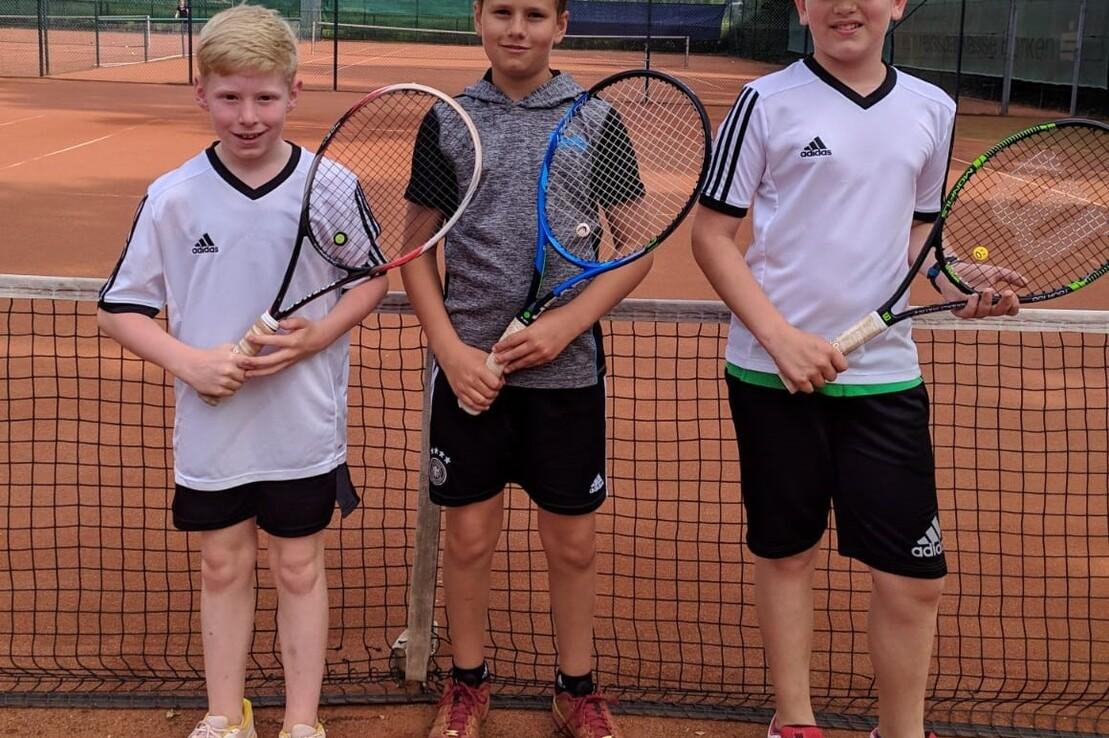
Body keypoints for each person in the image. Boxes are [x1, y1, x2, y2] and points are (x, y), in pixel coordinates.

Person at [690, 2, 1021, 738]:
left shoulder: (930, 109)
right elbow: (711, 236)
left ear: (897, 2)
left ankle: (900, 730)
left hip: (885, 376)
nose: (846, 4)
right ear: (801, 7)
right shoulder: (763, 102)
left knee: (913, 580)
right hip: (771, 377)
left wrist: (954, 282)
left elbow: (918, 239)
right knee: (786, 554)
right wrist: (779, 340)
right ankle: (795, 721)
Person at [97, 5, 386, 737]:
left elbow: (371, 279)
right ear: (201, 94)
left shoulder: (330, 186)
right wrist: (189, 361)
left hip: (301, 426)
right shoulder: (173, 196)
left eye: (265, 97)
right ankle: (225, 715)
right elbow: (120, 310)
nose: (248, 115)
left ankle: (301, 721)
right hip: (213, 429)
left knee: (298, 569)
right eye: (230, 96)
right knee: (222, 567)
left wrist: (319, 333)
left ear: (293, 93)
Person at [400, 1, 651, 736]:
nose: (517, 27)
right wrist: (450, 351)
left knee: (572, 543)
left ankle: (575, 688)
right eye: (501, 10)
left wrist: (566, 325)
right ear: (477, 18)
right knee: (469, 539)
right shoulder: (448, 119)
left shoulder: (593, 119)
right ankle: (467, 682)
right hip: (469, 374)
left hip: (564, 375)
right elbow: (415, 250)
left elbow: (631, 245)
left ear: (561, 25)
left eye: (534, 13)